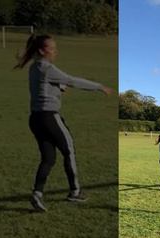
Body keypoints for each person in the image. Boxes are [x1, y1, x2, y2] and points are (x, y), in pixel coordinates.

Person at [14, 34, 113, 212]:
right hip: (49, 117)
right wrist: (100, 87)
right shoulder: (47, 68)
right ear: (42, 51)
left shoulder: (34, 68)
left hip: (35, 119)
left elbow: (48, 86)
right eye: (51, 48)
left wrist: (59, 88)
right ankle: (75, 191)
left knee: (48, 158)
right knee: (69, 150)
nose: (55, 52)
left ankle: (37, 194)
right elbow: (72, 81)